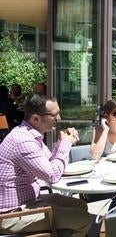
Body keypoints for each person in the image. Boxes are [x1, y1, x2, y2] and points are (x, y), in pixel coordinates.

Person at [0, 95, 91, 236]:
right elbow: (52, 176)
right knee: (83, 219)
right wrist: (66, 144)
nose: (59, 118)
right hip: (11, 214)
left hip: (30, 200)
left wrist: (61, 142)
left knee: (80, 205)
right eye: (54, 115)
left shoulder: (31, 135)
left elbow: (49, 163)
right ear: (36, 118)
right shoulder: (23, 141)